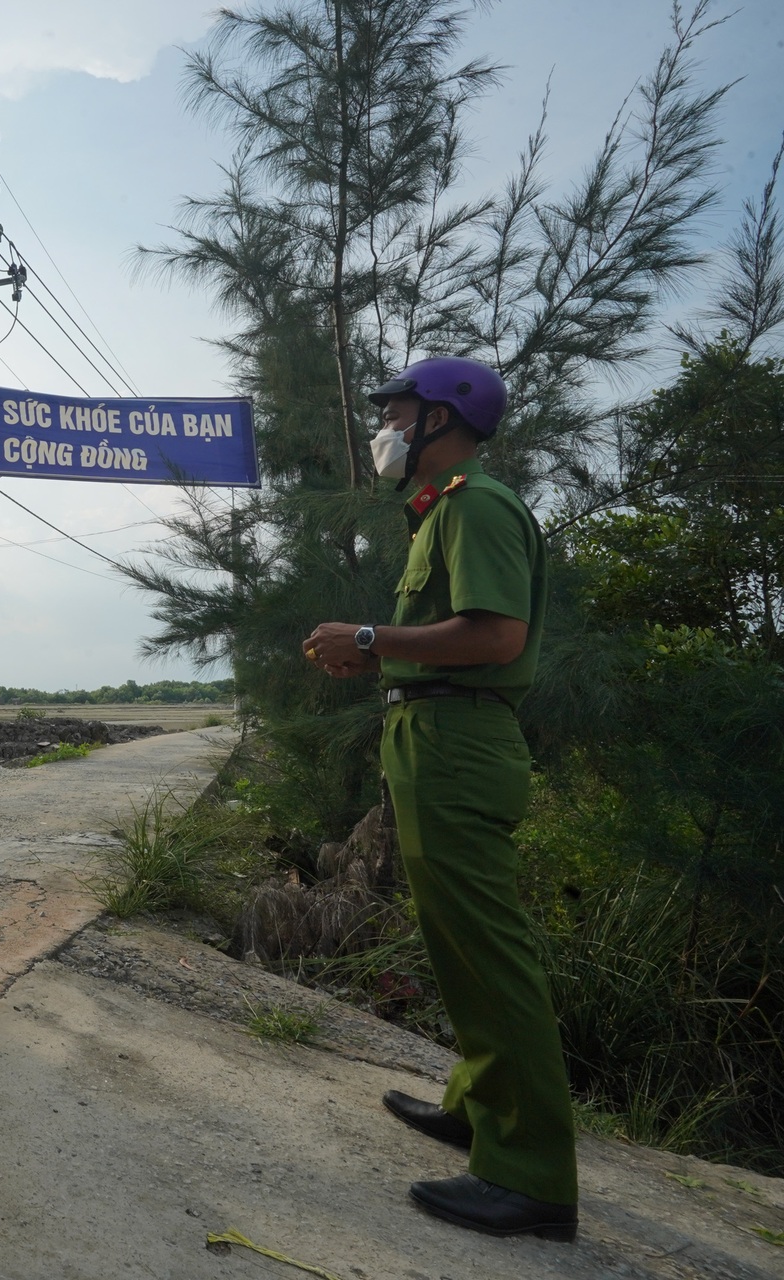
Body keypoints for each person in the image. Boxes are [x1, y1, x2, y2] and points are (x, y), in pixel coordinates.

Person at [302, 356, 577, 1242]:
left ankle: (531, 1178)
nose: (383, 424)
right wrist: (376, 657)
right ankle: (477, 1105)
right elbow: (451, 637)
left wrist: (373, 636)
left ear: (441, 419)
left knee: (489, 953)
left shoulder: (477, 505)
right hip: (432, 737)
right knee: (457, 941)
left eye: (396, 410)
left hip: (458, 745)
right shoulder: (439, 514)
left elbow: (497, 636)